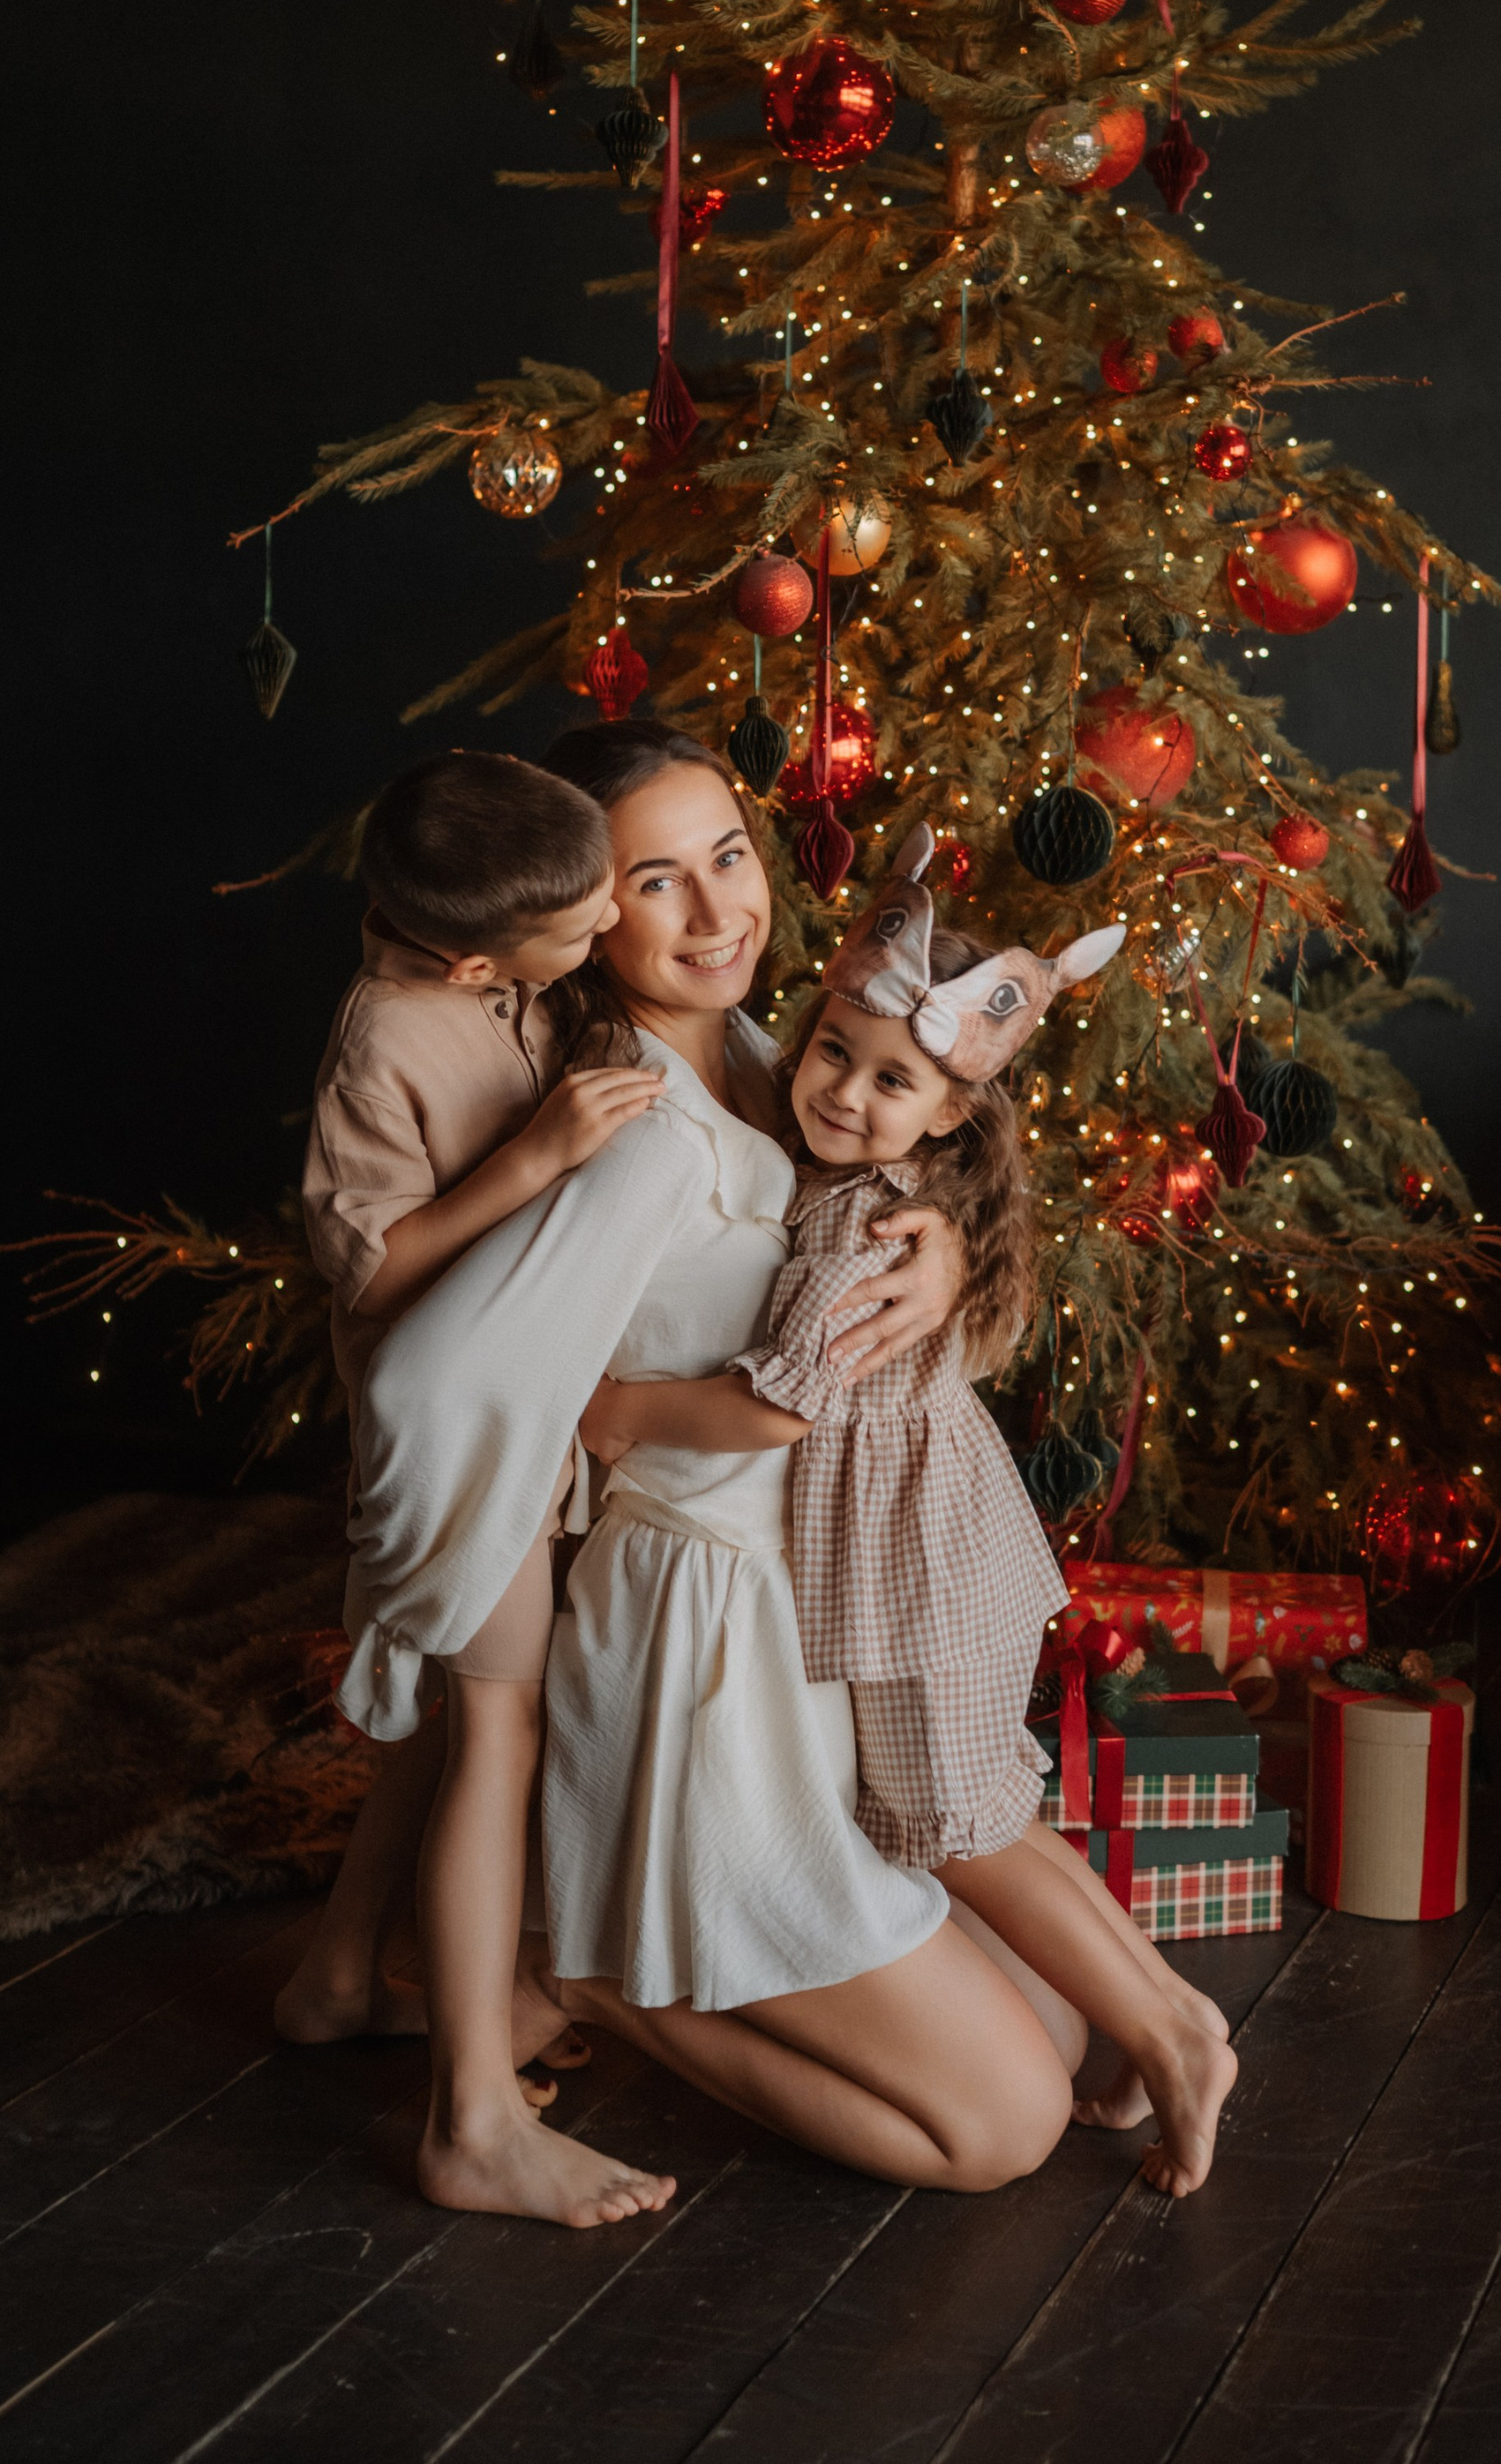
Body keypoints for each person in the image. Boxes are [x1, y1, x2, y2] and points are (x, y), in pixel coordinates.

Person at [344, 715, 1088, 2203]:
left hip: (800, 1610)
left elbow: (875, 1253)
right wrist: (544, 1467)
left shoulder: (772, 1055)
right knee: (1008, 2126)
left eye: (730, 857)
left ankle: (560, 1966)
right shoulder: (641, 1131)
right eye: (656, 882)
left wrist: (941, 1259)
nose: (716, 911)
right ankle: (603, 1981)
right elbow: (443, 1365)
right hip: (703, 1635)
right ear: (580, 918)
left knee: (1062, 2036)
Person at [580, 820, 1239, 2194]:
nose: (844, 1095)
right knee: (986, 1809)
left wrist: (622, 1414)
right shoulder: (885, 1184)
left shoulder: (854, 1232)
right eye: (833, 1055)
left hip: (906, 1571)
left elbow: (777, 1407)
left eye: (893, 1083)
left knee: (968, 1821)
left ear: (948, 1115)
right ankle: (1145, 2028)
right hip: (935, 1556)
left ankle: (1171, 2024)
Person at [276, 749, 664, 2207]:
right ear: (469, 954)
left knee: (448, 1723)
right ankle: (473, 2127)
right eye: (581, 926)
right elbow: (371, 1273)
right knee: (498, 1727)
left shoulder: (510, 977)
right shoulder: (383, 1040)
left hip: (534, 1385)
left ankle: (329, 1979)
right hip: (452, 1421)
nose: (608, 926)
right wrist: (536, 1159)